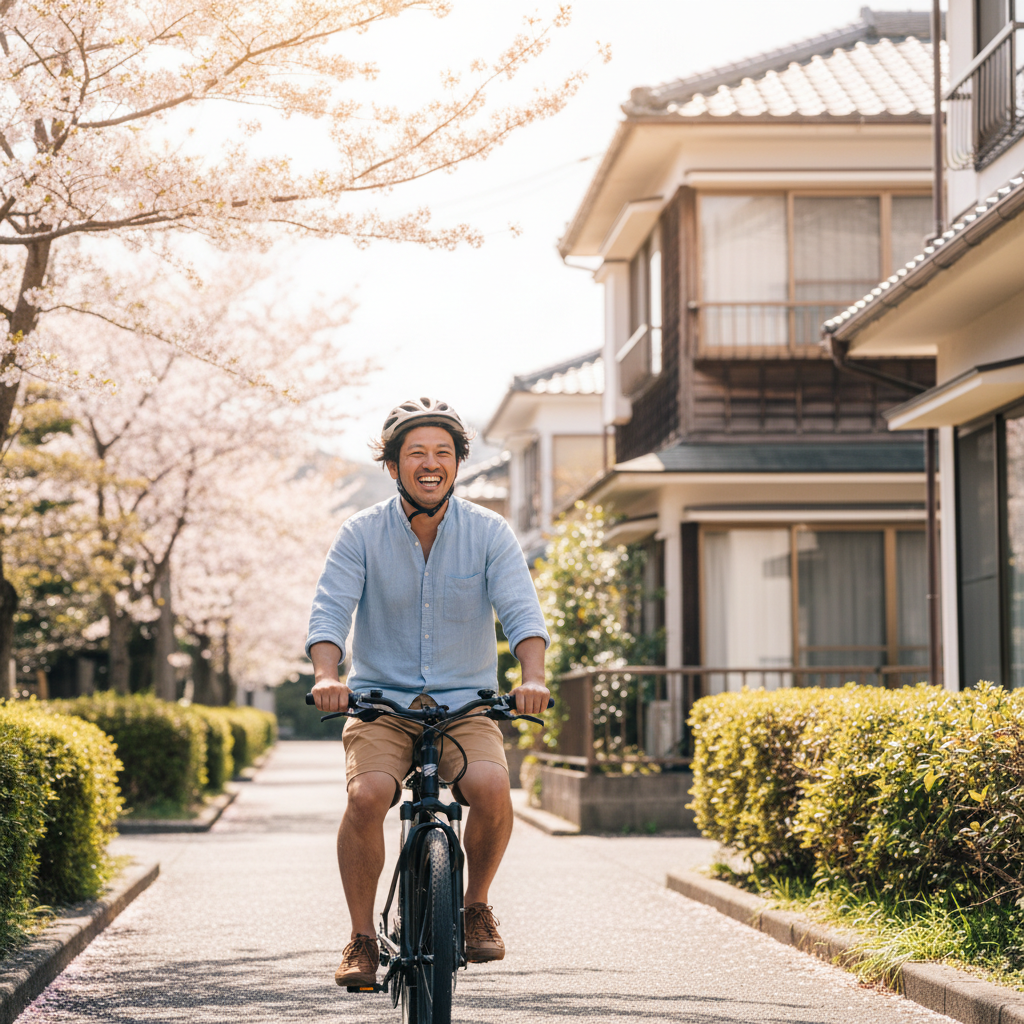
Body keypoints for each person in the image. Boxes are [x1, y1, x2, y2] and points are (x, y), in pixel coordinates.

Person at [307, 397, 550, 987]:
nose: (431, 462)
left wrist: (533, 677)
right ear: (393, 466)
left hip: (465, 705)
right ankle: (362, 938)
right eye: (416, 452)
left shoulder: (489, 531)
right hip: (381, 707)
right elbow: (330, 610)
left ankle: (475, 906)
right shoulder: (361, 532)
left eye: (444, 452)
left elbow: (521, 611)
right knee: (367, 797)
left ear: (458, 464)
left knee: (492, 786)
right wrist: (326, 675)